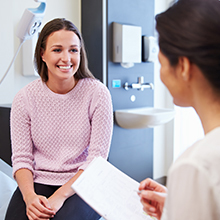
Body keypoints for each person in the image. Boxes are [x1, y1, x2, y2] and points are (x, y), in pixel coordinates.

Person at [5, 18, 113, 220]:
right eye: (57, 50)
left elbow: (96, 161)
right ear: (42, 54)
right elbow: (21, 159)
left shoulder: (97, 94)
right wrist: (29, 197)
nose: (67, 58)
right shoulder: (24, 98)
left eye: (73, 50)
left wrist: (59, 196)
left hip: (83, 181)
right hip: (39, 180)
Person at [138, 0, 220, 219]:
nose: (161, 74)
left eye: (162, 63)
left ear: (183, 67)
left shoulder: (195, 165)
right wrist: (180, 204)